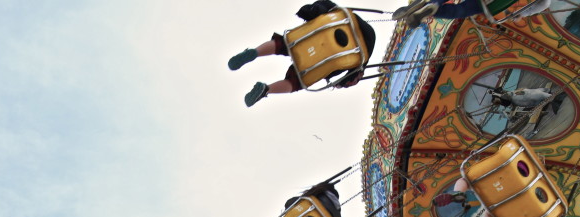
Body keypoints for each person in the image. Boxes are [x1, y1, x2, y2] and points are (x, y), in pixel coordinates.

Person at [227, 1, 377, 107]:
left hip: (326, 30)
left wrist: (311, 11)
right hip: (329, 57)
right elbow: (353, 77)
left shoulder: (344, 14)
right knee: (295, 83)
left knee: (285, 44)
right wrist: (339, 84)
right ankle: (267, 90)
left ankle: (255, 52)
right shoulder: (364, 57)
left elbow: (321, 6)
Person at [395, 0, 550, 28]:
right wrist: (519, 14)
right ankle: (431, 12)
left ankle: (433, 4)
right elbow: (542, 4)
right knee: (459, 11)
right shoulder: (547, 2)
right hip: (494, 3)